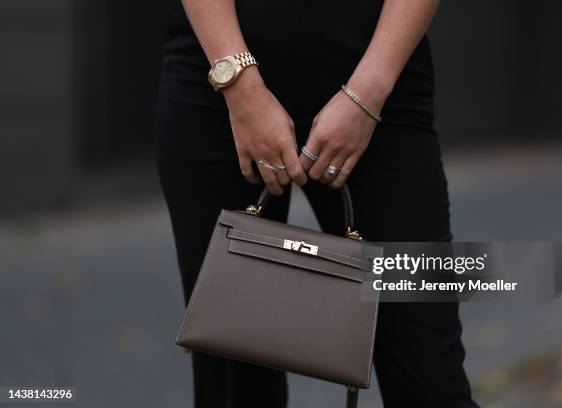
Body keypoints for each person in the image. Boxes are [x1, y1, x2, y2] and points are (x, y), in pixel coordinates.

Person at [156, 0, 478, 406]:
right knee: (234, 382)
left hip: (380, 91)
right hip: (217, 90)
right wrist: (242, 89)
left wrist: (367, 95)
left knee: (431, 378)